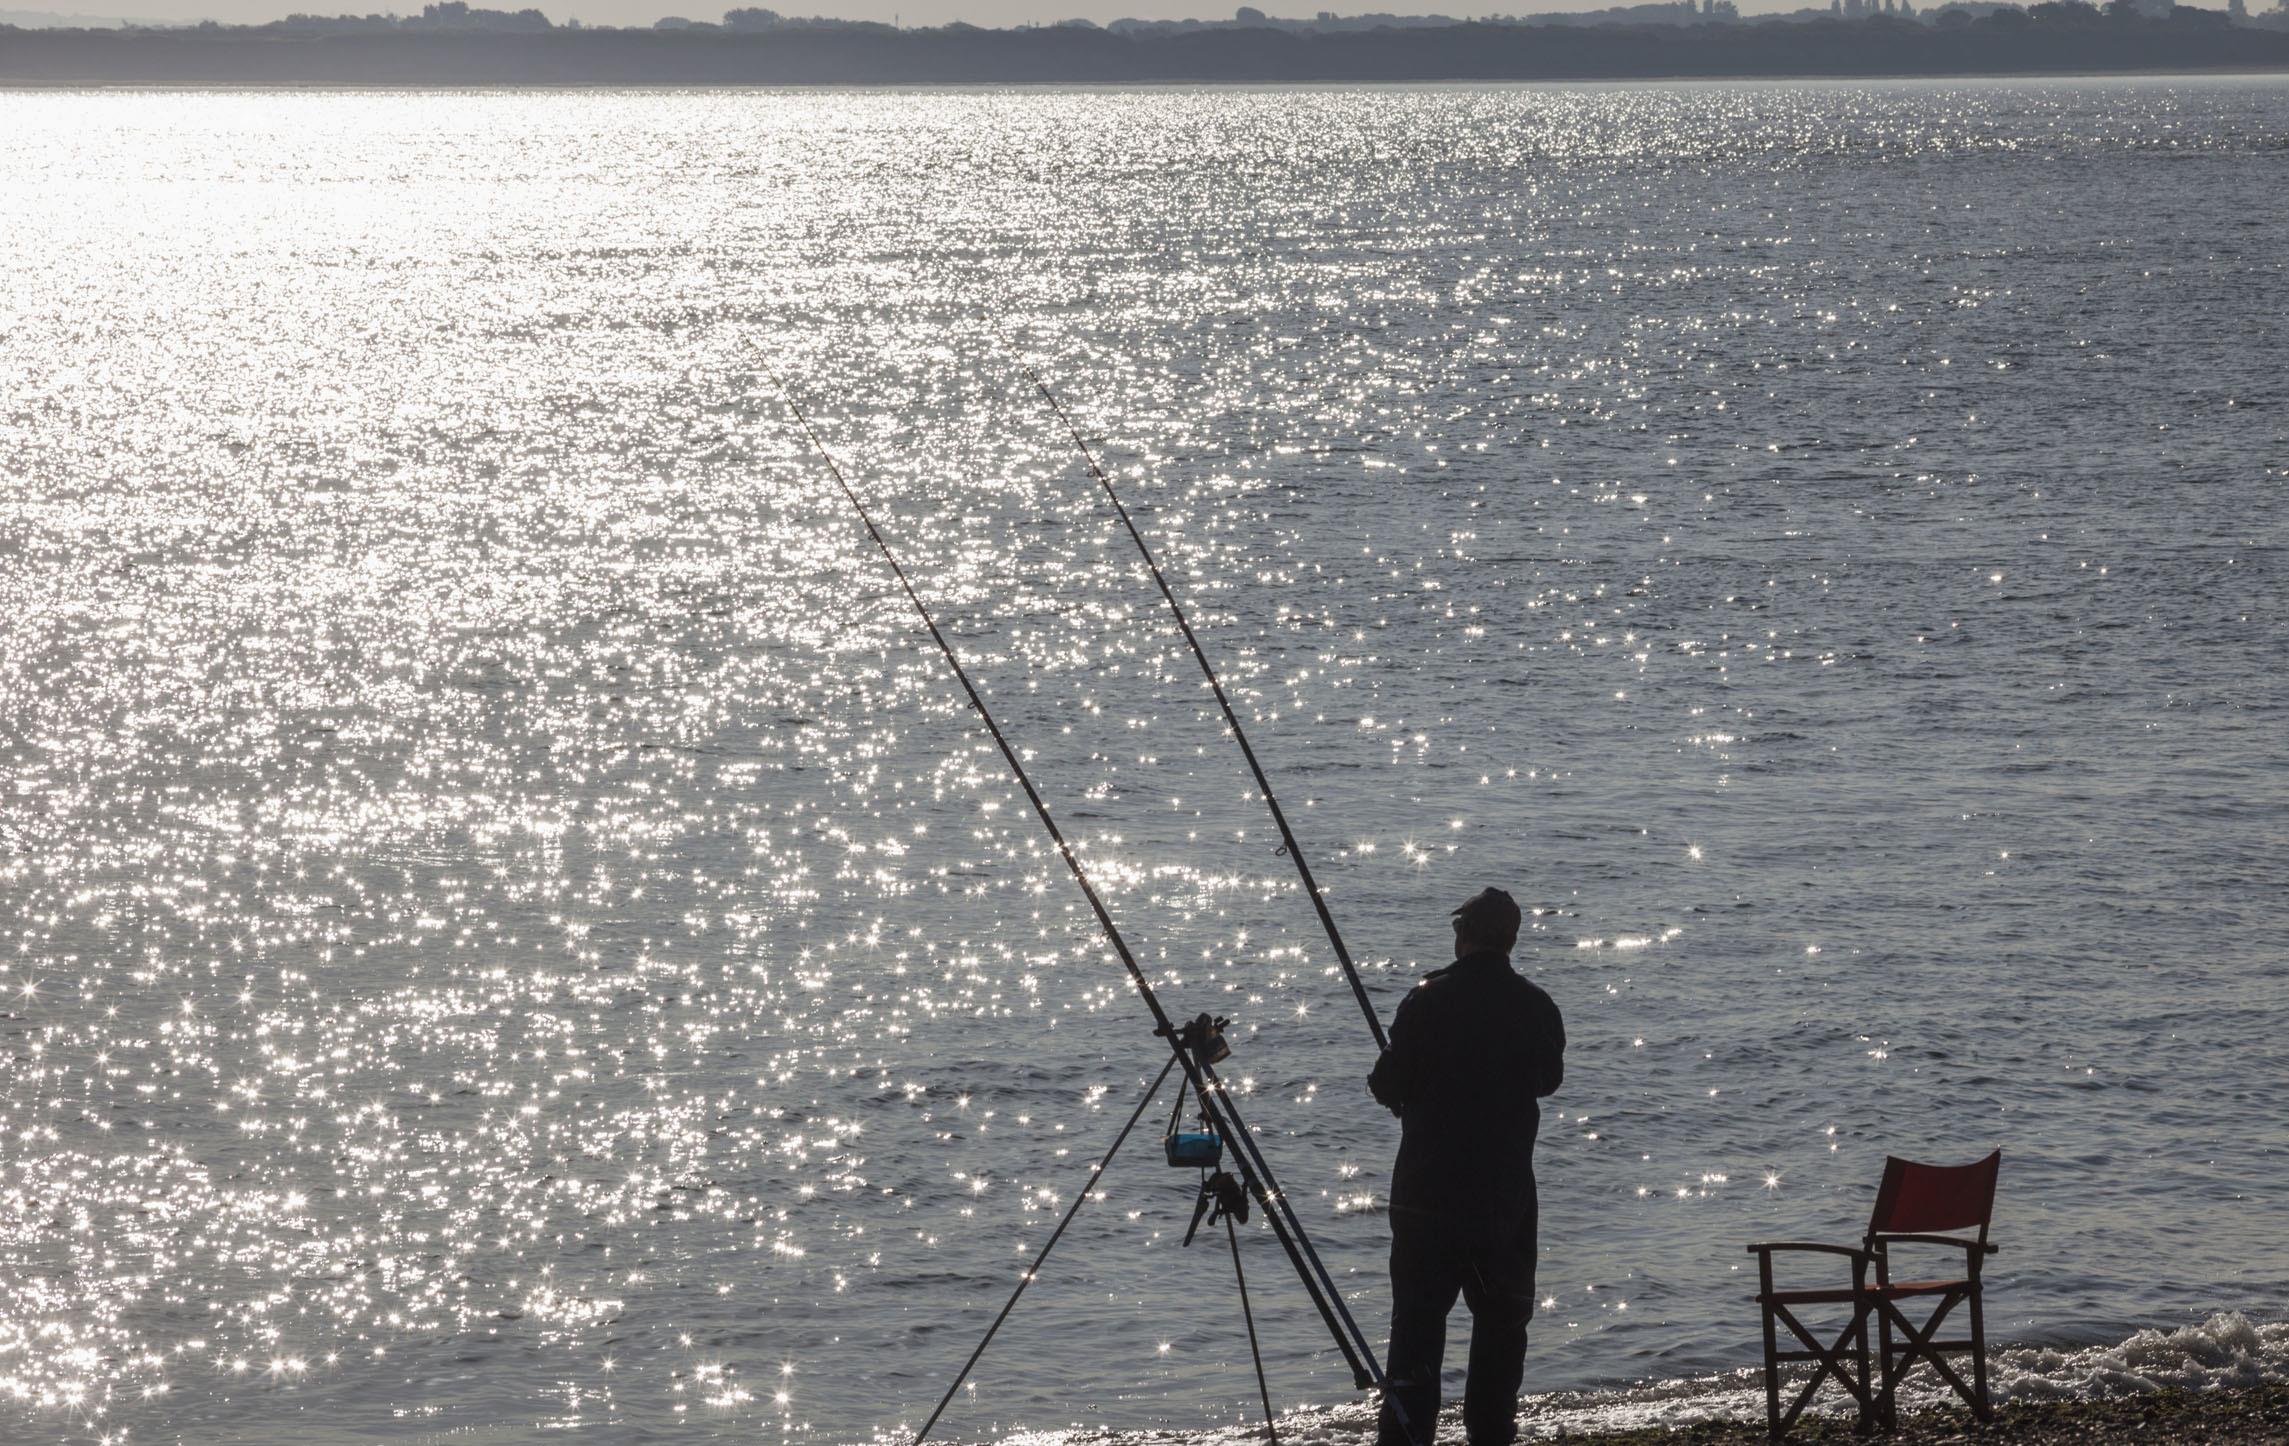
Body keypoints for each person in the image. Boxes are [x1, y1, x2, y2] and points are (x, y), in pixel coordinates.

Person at [1367, 887, 1566, 1445]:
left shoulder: (1427, 997)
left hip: (1426, 1195)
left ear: (1464, 936)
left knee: (1417, 1328)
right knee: (1502, 1328)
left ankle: (1407, 1436)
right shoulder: (1535, 1004)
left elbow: (1387, 1083)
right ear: (1512, 938)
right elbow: (1548, 1080)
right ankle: (1491, 1434)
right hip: (1504, 1197)